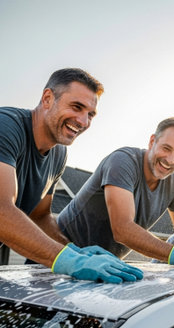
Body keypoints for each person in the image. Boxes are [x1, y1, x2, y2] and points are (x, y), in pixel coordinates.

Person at [0, 68, 143, 284]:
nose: (83, 121)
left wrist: (74, 251)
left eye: (90, 114)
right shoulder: (6, 126)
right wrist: (70, 261)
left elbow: (39, 217)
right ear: (48, 98)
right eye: (76, 107)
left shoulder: (58, 153)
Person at [57, 118, 174, 271]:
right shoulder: (123, 162)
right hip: (61, 256)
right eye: (166, 148)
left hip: (103, 266)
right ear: (152, 141)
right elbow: (122, 229)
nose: (170, 160)